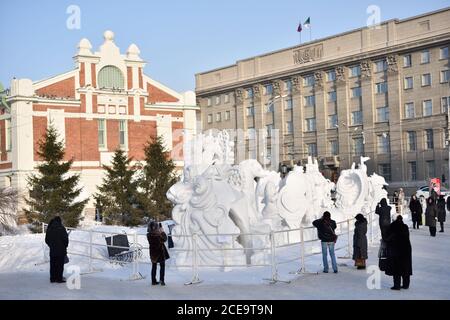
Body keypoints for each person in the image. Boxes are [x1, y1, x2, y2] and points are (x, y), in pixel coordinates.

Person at [384, 215, 412, 290]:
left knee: (396, 268)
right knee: (405, 267)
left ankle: (397, 285)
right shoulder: (405, 227)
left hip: (396, 250)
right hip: (406, 249)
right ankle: (406, 285)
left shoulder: (392, 227)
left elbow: (387, 238)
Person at [45, 216, 69, 283]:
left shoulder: (50, 228)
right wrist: (64, 246)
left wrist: (51, 246)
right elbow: (65, 239)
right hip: (61, 250)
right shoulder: (61, 228)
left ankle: (52, 278)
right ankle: (59, 278)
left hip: (52, 250)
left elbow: (47, 240)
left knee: (53, 264)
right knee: (60, 265)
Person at [147, 221, 170, 286]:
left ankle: (153, 281)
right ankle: (162, 280)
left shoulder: (148, 235)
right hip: (160, 253)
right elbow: (165, 239)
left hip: (153, 253)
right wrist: (162, 231)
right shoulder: (158, 235)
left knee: (154, 267)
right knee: (162, 267)